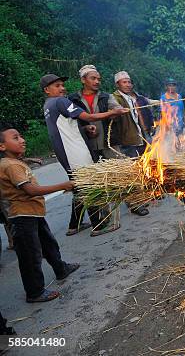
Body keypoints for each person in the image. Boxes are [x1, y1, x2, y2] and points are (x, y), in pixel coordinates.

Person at [0, 125, 80, 302]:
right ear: (2, 147)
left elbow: (16, 167)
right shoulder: (11, 166)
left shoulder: (13, 162)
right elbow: (31, 190)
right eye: (15, 138)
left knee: (48, 244)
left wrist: (28, 160)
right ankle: (34, 292)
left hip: (33, 214)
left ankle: (60, 268)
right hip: (22, 217)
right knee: (30, 256)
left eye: (21, 136)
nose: (22, 140)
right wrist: (63, 185)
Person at [42, 74, 127, 236]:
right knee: (90, 184)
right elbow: (87, 116)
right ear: (47, 90)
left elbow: (65, 127)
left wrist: (85, 129)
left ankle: (74, 225)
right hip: (76, 152)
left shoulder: (48, 105)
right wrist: (112, 113)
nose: (62, 88)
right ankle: (99, 225)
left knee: (79, 187)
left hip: (65, 153)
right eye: (57, 86)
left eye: (62, 85)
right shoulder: (61, 101)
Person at [110, 71, 150, 217]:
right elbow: (113, 108)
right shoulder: (115, 98)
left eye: (129, 82)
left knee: (141, 170)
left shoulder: (133, 98)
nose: (128, 84)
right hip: (126, 141)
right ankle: (135, 204)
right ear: (117, 84)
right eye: (124, 82)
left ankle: (142, 197)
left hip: (139, 138)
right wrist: (117, 110)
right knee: (131, 174)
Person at [68, 65, 122, 161]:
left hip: (108, 144)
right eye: (93, 78)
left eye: (98, 79)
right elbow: (70, 123)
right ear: (83, 80)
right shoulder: (73, 99)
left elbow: (118, 109)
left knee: (117, 173)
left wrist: (117, 112)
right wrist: (85, 128)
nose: (97, 82)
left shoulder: (106, 97)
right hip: (86, 146)